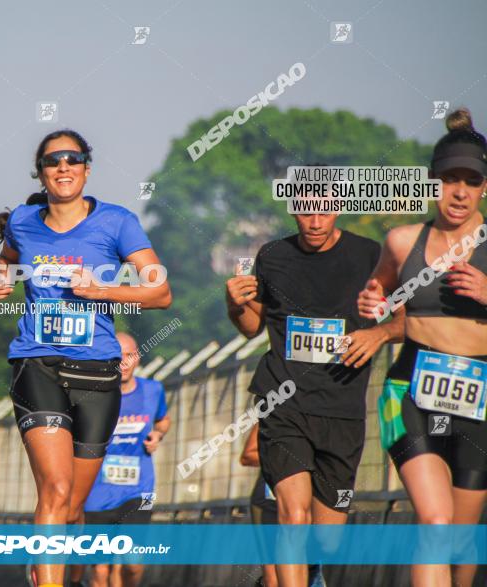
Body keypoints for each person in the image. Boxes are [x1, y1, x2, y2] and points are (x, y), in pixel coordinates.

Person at [0, 129, 172, 587]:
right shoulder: (23, 221)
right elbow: (6, 259)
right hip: (37, 363)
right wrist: (0, 282)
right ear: (41, 172)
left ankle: (55, 567)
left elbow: (161, 293)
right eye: (53, 161)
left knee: (71, 510)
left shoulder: (117, 222)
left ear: (87, 168)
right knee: (55, 489)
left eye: (73, 158)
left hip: (97, 373)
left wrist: (102, 290)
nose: (63, 166)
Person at [225, 166, 400, 587]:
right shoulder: (273, 256)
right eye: (305, 212)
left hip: (341, 408)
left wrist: (379, 333)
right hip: (283, 400)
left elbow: (411, 320)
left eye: (323, 211)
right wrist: (233, 303)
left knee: (325, 541)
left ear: (338, 208)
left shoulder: (369, 255)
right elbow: (252, 327)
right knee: (293, 516)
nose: (315, 221)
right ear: (293, 212)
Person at [357, 108, 487, 587]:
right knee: (434, 522)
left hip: (481, 401)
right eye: (450, 179)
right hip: (410, 393)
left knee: (461, 542)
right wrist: (373, 302)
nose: (459, 192)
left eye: (471, 182)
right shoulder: (402, 241)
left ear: (484, 188)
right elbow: (378, 300)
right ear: (434, 182)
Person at [69, 332, 170, 587]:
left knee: (133, 562)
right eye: (116, 357)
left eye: (128, 356)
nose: (123, 363)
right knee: (100, 571)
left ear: (137, 357)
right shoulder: (94, 394)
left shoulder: (153, 390)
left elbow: (163, 420)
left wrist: (158, 434)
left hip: (140, 490)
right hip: (97, 492)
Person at [240, 423, 324, 587]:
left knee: (310, 565)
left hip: (312, 498)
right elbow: (247, 455)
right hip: (269, 501)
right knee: (273, 579)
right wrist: (292, 457)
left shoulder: (325, 412)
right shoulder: (274, 413)